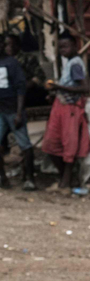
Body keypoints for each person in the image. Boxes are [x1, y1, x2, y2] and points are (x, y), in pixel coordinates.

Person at [41, 32, 90, 194]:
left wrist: (58, 88)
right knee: (52, 144)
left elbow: (84, 88)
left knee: (68, 145)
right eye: (60, 47)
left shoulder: (76, 64)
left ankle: (65, 182)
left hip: (70, 109)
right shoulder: (69, 63)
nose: (63, 50)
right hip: (61, 106)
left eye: (66, 46)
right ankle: (66, 178)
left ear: (75, 46)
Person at [0, 33, 36, 191]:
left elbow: (21, 88)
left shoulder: (12, 63)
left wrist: (19, 113)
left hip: (13, 109)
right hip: (0, 110)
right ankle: (3, 178)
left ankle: (29, 178)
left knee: (24, 144)